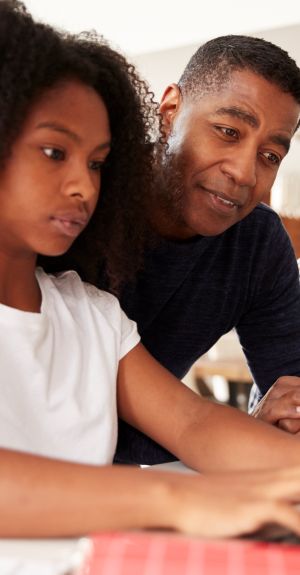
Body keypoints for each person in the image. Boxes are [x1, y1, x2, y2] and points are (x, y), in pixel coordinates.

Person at [3, 0, 300, 540]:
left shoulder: (91, 314)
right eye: (53, 151)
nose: (84, 186)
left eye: (96, 163)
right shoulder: (76, 253)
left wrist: (254, 459)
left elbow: (195, 422)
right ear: (168, 115)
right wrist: (184, 497)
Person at [100, 34, 300, 465]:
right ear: (171, 111)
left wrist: (255, 432)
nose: (244, 172)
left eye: (270, 156)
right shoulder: (83, 205)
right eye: (228, 132)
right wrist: (243, 435)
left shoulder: (257, 244)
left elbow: (291, 394)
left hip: (135, 484)